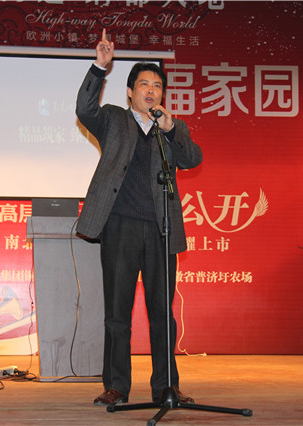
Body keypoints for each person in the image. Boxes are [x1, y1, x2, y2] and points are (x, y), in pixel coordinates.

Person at [76, 29, 202, 406]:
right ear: (130, 92)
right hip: (120, 227)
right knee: (118, 313)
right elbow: (84, 109)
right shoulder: (113, 119)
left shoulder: (171, 127)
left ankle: (166, 387)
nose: (152, 91)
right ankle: (117, 386)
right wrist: (100, 67)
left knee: (163, 313)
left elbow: (192, 159)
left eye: (158, 86)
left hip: (161, 229)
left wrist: (172, 130)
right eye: (144, 84)